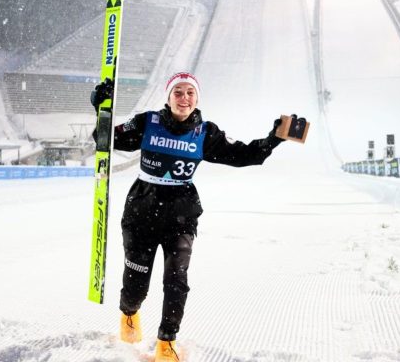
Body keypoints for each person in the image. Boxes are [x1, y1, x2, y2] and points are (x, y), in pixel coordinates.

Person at [91, 72, 291, 361]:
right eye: (178, 92)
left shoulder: (205, 133)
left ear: (197, 99)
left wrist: (274, 139)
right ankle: (129, 312)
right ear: (168, 96)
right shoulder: (148, 123)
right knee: (136, 286)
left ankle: (166, 341)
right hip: (141, 212)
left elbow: (246, 155)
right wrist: (101, 109)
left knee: (176, 281)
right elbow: (104, 139)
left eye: (190, 93)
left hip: (181, 216)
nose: (184, 98)